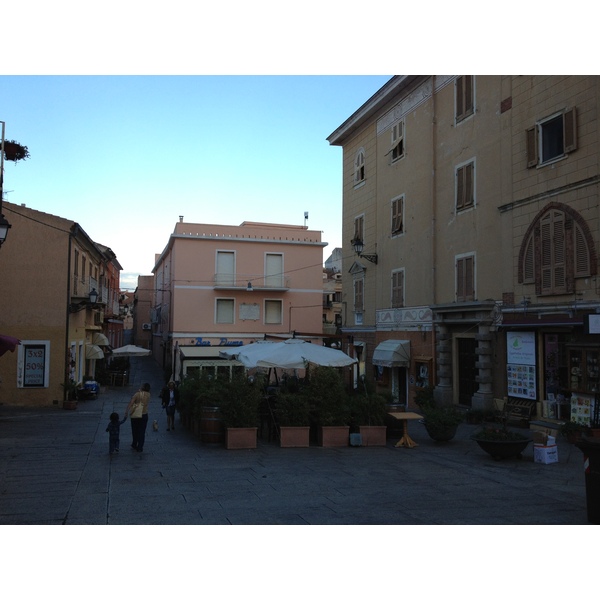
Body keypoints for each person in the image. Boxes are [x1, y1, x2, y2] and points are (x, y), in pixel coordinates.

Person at [126, 382, 151, 452]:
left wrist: (127, 410)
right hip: (144, 414)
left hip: (136, 414)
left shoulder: (137, 394)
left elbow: (132, 402)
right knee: (142, 431)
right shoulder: (148, 394)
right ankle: (140, 446)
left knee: (135, 430)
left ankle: (134, 443)